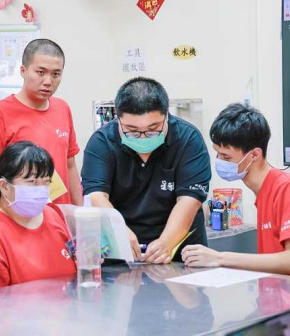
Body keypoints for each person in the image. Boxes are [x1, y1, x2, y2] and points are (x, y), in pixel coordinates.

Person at [182, 104, 290, 281]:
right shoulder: (262, 193)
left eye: (226, 157)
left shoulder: (288, 188)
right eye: (218, 154)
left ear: (255, 154)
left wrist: (219, 258)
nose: (219, 162)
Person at [82, 77, 211, 263]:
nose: (143, 138)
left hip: (179, 250)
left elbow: (189, 201)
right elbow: (96, 196)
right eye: (132, 130)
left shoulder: (188, 139)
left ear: (166, 115)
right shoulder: (102, 143)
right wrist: (119, 232)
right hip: (123, 246)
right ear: (118, 118)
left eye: (153, 129)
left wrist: (166, 243)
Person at [0, 141, 76, 295]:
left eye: (46, 182)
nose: (40, 190)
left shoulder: (52, 215)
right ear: (4, 186)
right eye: (32, 182)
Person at [0, 39, 82, 205]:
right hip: (18, 219)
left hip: (58, 218)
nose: (48, 81)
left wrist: (78, 212)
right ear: (23, 70)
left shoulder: (62, 108)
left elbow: (70, 166)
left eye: (56, 74)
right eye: (40, 72)